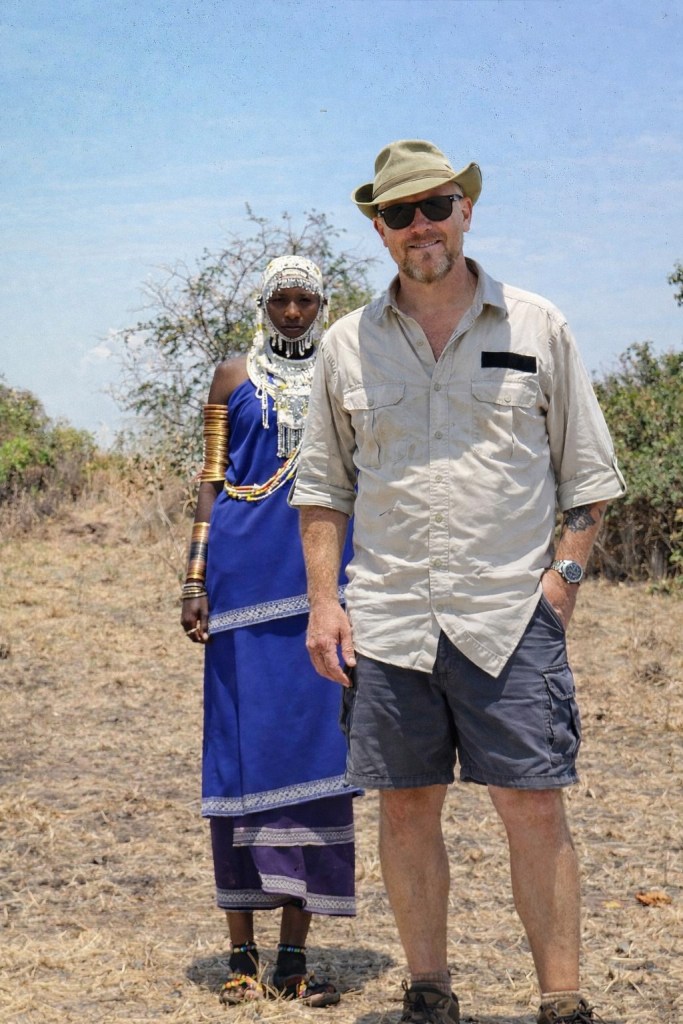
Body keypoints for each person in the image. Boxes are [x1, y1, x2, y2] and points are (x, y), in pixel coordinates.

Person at [290, 140, 626, 1024]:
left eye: (434, 206)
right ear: (379, 229)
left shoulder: (536, 326)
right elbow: (322, 488)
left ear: (465, 210)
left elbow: (588, 477)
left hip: (509, 614)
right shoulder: (346, 344)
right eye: (399, 214)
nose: (420, 226)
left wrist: (560, 584)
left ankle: (561, 1001)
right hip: (389, 617)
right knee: (405, 809)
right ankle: (428, 992)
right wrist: (324, 602)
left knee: (532, 807)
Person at [181, 255, 359, 1008]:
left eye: (304, 300)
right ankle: (240, 956)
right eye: (281, 299)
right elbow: (211, 480)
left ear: (321, 305)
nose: (292, 311)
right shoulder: (232, 377)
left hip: (320, 585)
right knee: (240, 756)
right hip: (240, 581)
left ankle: (293, 956)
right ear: (264, 303)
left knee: (314, 755)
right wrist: (195, 579)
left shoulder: (343, 372)